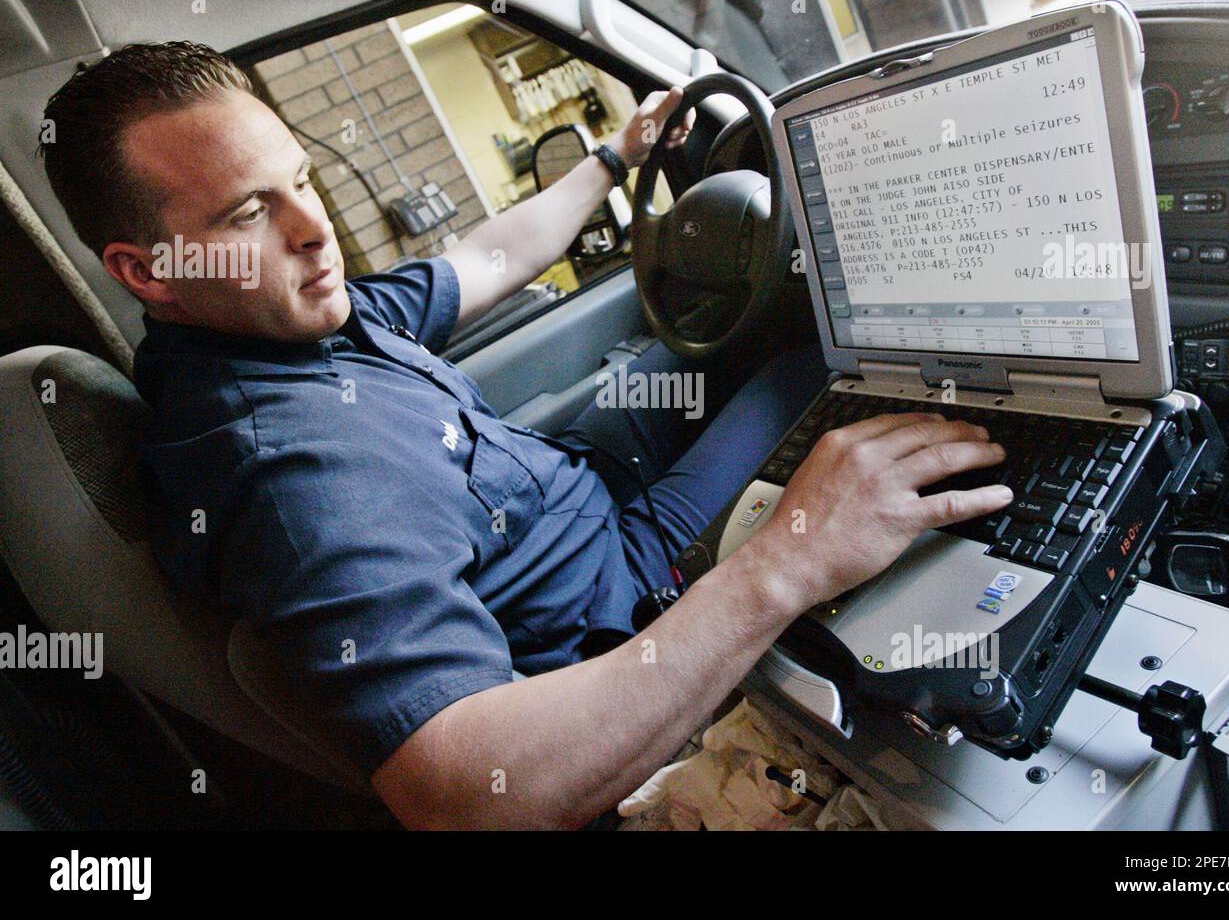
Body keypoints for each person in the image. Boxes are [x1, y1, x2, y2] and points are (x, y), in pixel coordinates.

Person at [39, 41, 1012, 829]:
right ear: (150, 273)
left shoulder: (298, 318)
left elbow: (489, 254)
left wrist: (615, 157)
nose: (314, 228)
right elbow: (462, 792)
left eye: (300, 178)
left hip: (583, 483)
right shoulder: (295, 475)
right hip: (634, 590)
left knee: (755, 327)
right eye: (252, 210)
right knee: (810, 373)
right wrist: (785, 563)